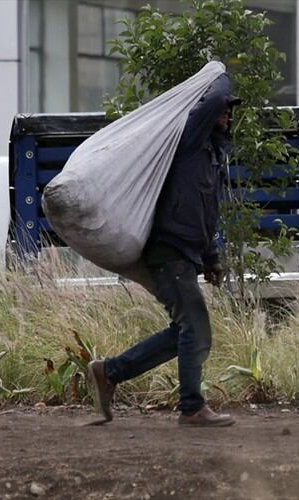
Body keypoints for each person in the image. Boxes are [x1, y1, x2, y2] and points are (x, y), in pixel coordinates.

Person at [86, 72, 240, 427]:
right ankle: (191, 407)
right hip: (168, 249)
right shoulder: (188, 139)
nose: (228, 113)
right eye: (225, 110)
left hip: (184, 252)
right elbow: (215, 97)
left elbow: (206, 213)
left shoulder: (209, 156)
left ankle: (109, 372)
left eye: (231, 111)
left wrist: (212, 258)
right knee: (195, 327)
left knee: (185, 331)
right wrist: (219, 71)